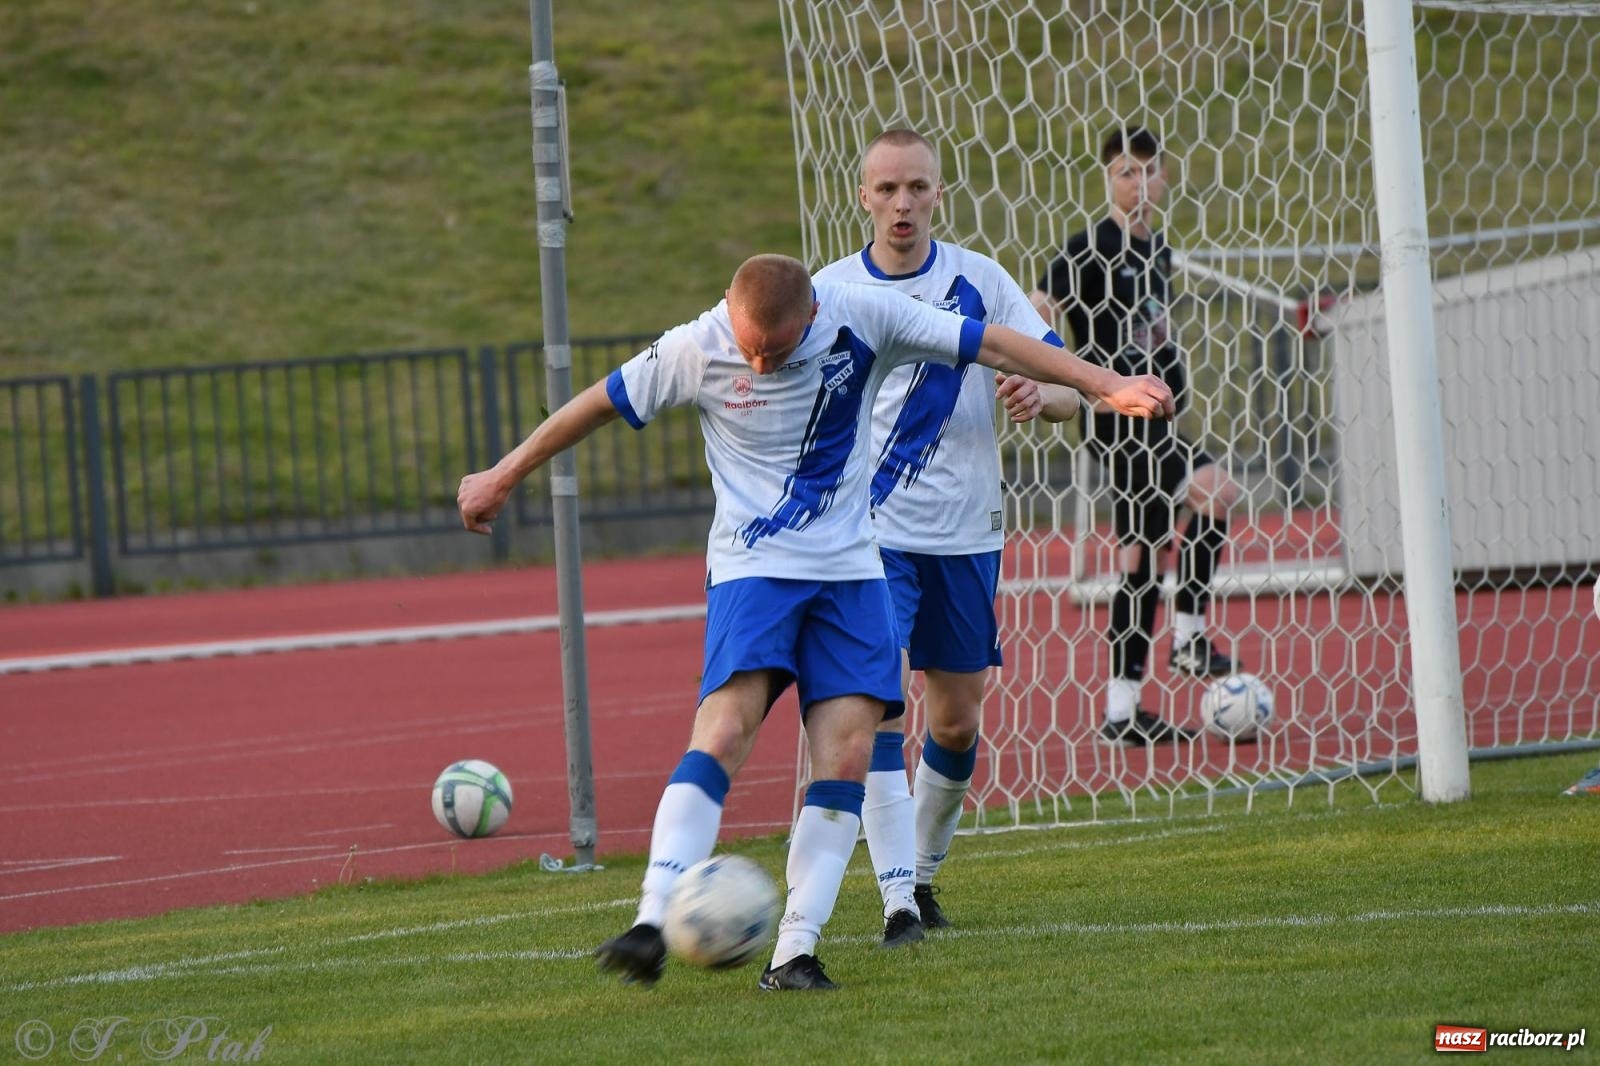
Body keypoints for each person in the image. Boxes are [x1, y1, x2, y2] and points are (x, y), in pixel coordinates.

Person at [458, 254, 1173, 991]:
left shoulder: (861, 315)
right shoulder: (697, 346)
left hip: (851, 572)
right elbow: (598, 404)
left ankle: (794, 951)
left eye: (778, 348)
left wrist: (1104, 384)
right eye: (750, 348)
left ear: (812, 316)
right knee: (726, 730)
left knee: (847, 756)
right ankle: (649, 921)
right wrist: (503, 474)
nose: (761, 363)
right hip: (752, 571)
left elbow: (991, 342)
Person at [813, 129, 1080, 946]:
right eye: (887, 189)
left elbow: (1071, 387)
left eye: (917, 188)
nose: (902, 204)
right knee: (883, 706)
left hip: (967, 533)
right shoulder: (830, 291)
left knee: (957, 723)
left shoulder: (982, 281)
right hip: (872, 535)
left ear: (937, 193)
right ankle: (897, 901)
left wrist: (1044, 398)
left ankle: (923, 877)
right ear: (862, 197)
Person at [1030, 125, 1244, 747]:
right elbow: (1040, 303)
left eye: (1149, 171)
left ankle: (1123, 711)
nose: (1139, 183)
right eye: (1126, 172)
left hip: (1158, 423)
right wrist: (1045, 352)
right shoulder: (1088, 248)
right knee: (1214, 492)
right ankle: (1189, 639)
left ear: (1165, 177)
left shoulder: (1158, 253)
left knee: (1141, 563)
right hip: (1117, 425)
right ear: (1108, 180)